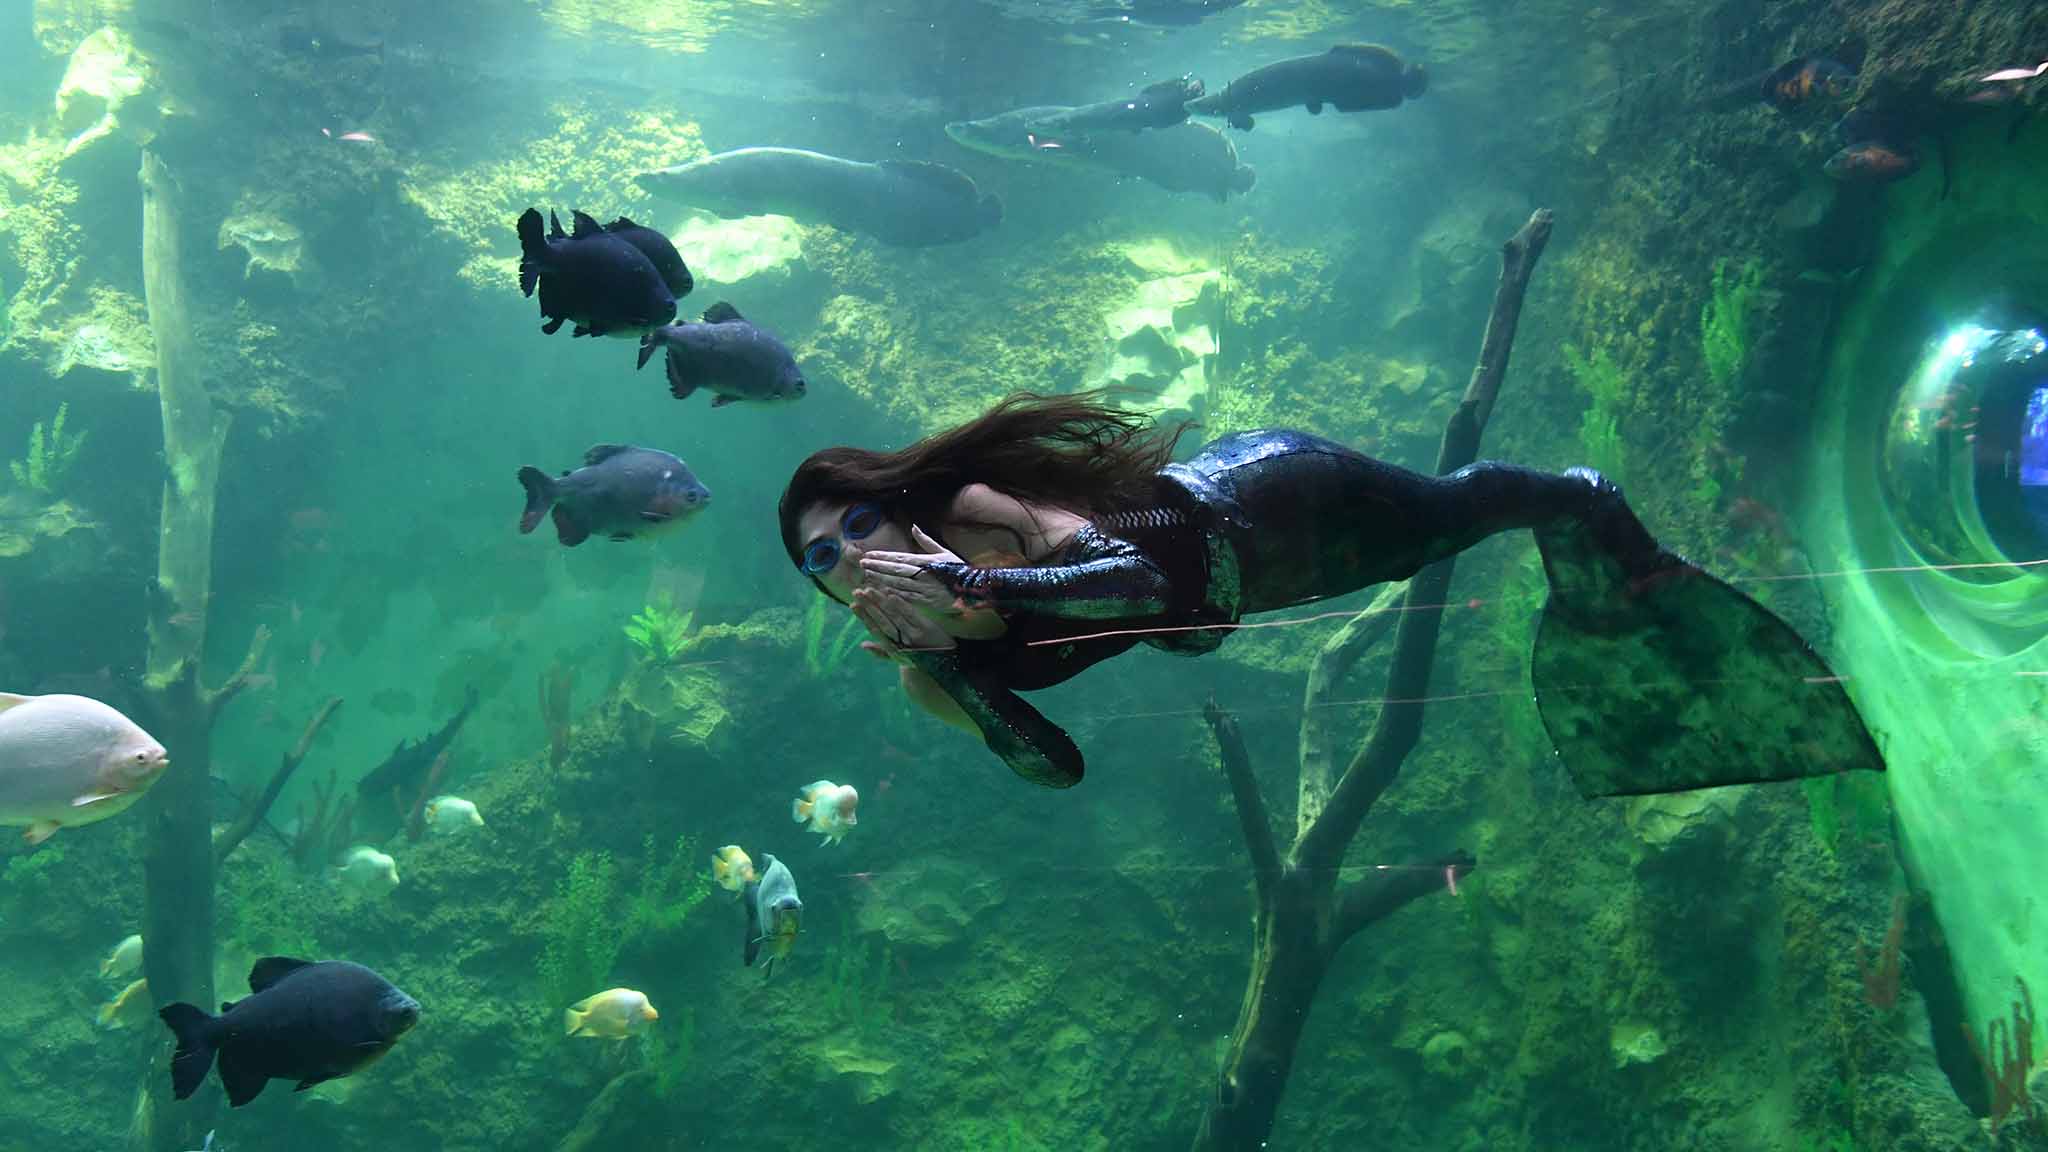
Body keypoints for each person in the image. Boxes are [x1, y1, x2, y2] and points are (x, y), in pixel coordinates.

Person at [777, 391, 1883, 796]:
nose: (853, 560)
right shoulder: (929, 678)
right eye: (824, 560)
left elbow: (1135, 577)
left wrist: (972, 580)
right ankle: (1581, 532)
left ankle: (1586, 503)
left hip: (1270, 501)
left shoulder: (971, 513)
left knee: (1452, 513)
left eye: (856, 526)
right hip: (1256, 590)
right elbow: (1055, 769)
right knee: (1428, 543)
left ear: (894, 505)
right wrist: (951, 669)